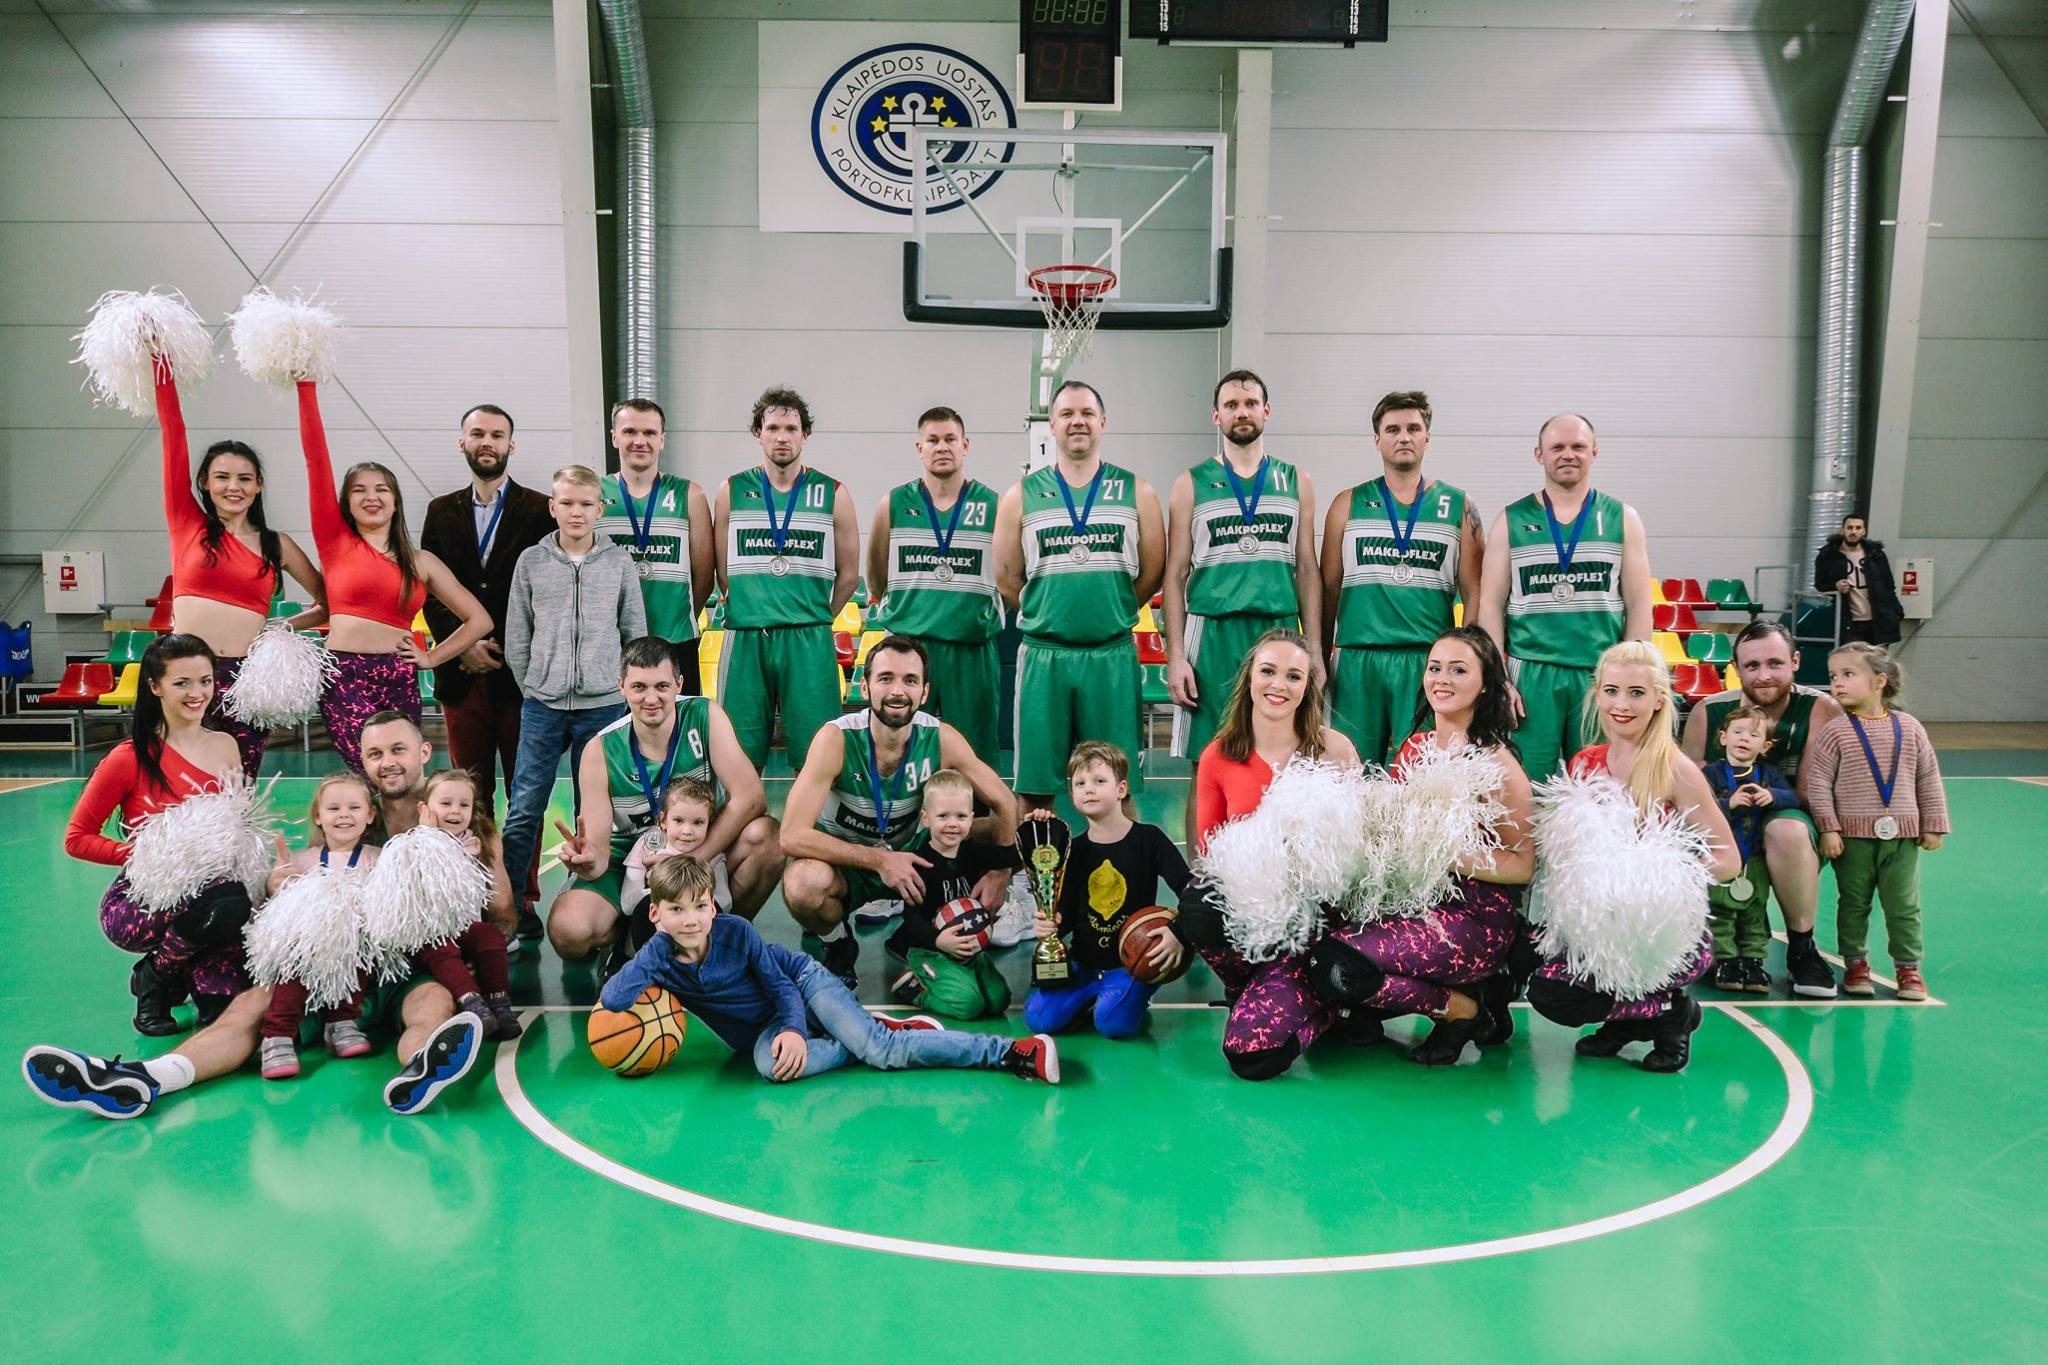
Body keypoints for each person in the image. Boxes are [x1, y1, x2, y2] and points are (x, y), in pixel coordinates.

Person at [25, 713, 488, 1120]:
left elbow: (492, 910)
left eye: (398, 750)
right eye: (375, 753)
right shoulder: (324, 844)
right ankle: (143, 1079)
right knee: (247, 1009)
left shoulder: (453, 816)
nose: (387, 762)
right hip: (319, 971)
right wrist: (279, 890)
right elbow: (275, 912)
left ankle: (421, 1067)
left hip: (391, 972)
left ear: (423, 753)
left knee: (432, 1001)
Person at [602, 855, 1060, 1084]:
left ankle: (1008, 1052)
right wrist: (654, 949)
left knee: (882, 1053)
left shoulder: (735, 932)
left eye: (701, 907)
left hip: (803, 985)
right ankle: (864, 1032)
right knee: (769, 1066)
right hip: (762, 1028)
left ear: (713, 907)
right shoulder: (660, 957)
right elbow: (614, 999)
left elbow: (781, 986)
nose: (691, 920)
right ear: (656, 914)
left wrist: (794, 1029)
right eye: (677, 910)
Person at [1305, 626, 1536, 1064]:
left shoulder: (1498, 764)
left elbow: (1523, 865)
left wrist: (1444, 852)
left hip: (1475, 918)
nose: (1441, 679)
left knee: (1342, 964)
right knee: (1318, 950)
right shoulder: (1415, 746)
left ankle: (1463, 1010)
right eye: (1435, 668)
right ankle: (1475, 992)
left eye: (1458, 670)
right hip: (1416, 902)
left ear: (1485, 684)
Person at [1526, 641, 1739, 1073]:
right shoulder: (1584, 762)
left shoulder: (1675, 768)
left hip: (1660, 937)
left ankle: (1671, 1013)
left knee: (1576, 991)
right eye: (1611, 691)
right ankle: (1631, 1020)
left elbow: (1728, 858)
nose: (1621, 705)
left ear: (1659, 700)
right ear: (1597, 694)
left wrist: (1660, 879)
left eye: (1636, 693)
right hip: (1597, 928)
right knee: (1550, 994)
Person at [779, 636, 1020, 992]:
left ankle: (919, 932)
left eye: (910, 680)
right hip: (850, 864)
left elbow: (1005, 803)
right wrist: (879, 860)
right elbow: (791, 835)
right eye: (886, 678)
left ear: (924, 692)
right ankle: (837, 940)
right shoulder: (836, 739)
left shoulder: (940, 738)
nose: (897, 691)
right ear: (865, 686)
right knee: (803, 885)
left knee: (994, 829)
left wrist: (1000, 872)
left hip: (917, 855)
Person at [1191, 629, 1362, 1080]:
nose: (1278, 685)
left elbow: (1358, 851)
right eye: (1268, 671)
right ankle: (1246, 984)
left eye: (1293, 676)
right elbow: (1210, 854)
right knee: (1198, 903)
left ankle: (1331, 997)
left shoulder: (1335, 749)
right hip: (1257, 920)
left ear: (1307, 687)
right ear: (1249, 677)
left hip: (1321, 920)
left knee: (1257, 1058)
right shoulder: (1217, 756)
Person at [298, 380, 491, 772]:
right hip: (344, 674)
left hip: (398, 676)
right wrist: (306, 386)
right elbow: (315, 460)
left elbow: (479, 620)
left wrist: (432, 657)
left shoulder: (421, 562)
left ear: (396, 501)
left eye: (382, 489)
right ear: (345, 502)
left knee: (401, 776)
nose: (371, 496)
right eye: (359, 490)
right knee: (367, 772)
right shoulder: (334, 542)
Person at [548, 639, 780, 963]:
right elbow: (599, 850)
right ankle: (631, 934)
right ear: (621, 686)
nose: (651, 698)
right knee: (569, 930)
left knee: (767, 838)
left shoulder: (704, 716)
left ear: (679, 684)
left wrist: (691, 860)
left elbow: (751, 798)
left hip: (699, 843)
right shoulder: (600, 750)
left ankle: (721, 936)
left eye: (661, 686)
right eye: (639, 687)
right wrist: (588, 862)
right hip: (631, 854)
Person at [64, 634, 250, 1035]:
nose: (197, 693)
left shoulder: (226, 746)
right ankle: (156, 978)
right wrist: (155, 856)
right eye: (182, 683)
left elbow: (237, 827)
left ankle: (182, 970)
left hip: (217, 901)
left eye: (205, 681)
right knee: (225, 898)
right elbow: (77, 838)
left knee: (222, 1017)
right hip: (144, 901)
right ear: (155, 686)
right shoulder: (129, 757)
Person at [994, 379, 1165, 810]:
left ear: (1103, 422)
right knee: (1034, 789)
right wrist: (1049, 611)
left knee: (1116, 787)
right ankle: (1036, 860)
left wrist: (1111, 609)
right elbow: (1006, 576)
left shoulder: (1137, 491)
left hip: (1111, 655)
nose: (1078, 421)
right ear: (1051, 425)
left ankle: (1122, 858)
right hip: (1044, 655)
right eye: (1067, 414)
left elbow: (1153, 571)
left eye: (1087, 413)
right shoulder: (1021, 495)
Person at [1164, 370, 1320, 841]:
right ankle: (1200, 877)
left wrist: (1314, 650)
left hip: (1279, 632)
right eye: (1231, 405)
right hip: (1212, 634)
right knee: (1206, 762)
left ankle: (1284, 870)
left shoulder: (1296, 481)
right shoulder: (1191, 483)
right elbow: (1175, 575)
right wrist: (1176, 656)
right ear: (1216, 416)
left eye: (1250, 403)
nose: (1242, 412)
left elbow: (1307, 570)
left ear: (1266, 411)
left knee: (1291, 761)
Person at [152, 355, 325, 776]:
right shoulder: (186, 522)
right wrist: (161, 362)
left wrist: (280, 628)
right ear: (204, 483)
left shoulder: (276, 544)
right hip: (183, 674)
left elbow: (332, 602)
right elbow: (173, 435)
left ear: (258, 485)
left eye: (245, 478)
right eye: (222, 477)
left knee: (238, 782)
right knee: (176, 781)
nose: (234, 487)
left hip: (245, 680)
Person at [417, 402, 554, 927]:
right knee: (469, 793)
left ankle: (521, 896)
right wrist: (461, 644)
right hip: (461, 674)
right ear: (463, 442)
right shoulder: (440, 511)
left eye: (497, 434)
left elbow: (545, 592)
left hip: (520, 678)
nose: (487, 442)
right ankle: (471, 893)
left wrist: (506, 646)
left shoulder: (540, 509)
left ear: (511, 444)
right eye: (478, 433)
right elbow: (429, 592)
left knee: (526, 792)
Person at [497, 464, 644, 923]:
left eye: (585, 504)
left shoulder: (619, 563)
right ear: (552, 507)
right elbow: (517, 635)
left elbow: (634, 633)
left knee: (593, 811)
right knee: (524, 807)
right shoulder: (531, 562)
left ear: (600, 509)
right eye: (567, 503)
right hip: (542, 705)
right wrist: (535, 684)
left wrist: (617, 687)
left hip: (602, 707)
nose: (576, 512)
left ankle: (590, 901)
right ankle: (513, 909)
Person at [1476, 413, 1653, 784]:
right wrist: (1499, 679)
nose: (1568, 454)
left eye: (1578, 446)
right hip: (1531, 673)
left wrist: (1633, 677)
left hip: (1599, 672)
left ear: (1594, 452)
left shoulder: (1622, 518)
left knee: (1602, 787)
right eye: (1557, 447)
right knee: (1525, 786)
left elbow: (1639, 604)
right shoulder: (1511, 520)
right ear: (1539, 454)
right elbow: (1490, 605)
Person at [1679, 618, 1843, 996]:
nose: (1764, 675)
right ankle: (1704, 935)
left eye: (1775, 663)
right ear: (1735, 669)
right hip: (1723, 821)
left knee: (1785, 829)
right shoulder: (1708, 711)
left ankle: (1802, 948)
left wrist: (1761, 799)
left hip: (1786, 822)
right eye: (1752, 665)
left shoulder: (1820, 708)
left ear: (1795, 662)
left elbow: (1808, 793)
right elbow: (1688, 791)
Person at [1320, 390, 1483, 766]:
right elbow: (1327, 589)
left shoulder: (1459, 506)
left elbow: (1475, 592)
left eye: (1413, 428)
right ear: (1377, 439)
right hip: (1357, 659)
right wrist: (1320, 656)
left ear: (1427, 437)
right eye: (1393, 429)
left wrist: (1465, 663)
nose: (1404, 437)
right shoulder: (1347, 503)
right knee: (1351, 771)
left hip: (1426, 661)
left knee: (1423, 774)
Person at [713, 387, 860, 769]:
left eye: (791, 428)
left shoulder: (834, 493)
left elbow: (849, 575)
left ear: (805, 434)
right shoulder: (731, 491)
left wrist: (815, 615)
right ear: (758, 433)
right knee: (739, 756)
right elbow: (721, 570)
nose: (782, 437)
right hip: (747, 635)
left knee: (816, 756)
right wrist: (751, 606)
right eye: (773, 428)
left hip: (808, 637)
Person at [1803, 643, 1947, 1001]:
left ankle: (1908, 968)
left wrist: (1933, 823)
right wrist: (1829, 828)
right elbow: (1819, 783)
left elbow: (1927, 777)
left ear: (1880, 681)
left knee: (1904, 906)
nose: (1837, 682)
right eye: (1833, 676)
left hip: (1902, 838)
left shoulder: (1910, 728)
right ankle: (1855, 964)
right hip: (1852, 840)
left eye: (1848, 674)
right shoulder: (1835, 731)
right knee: (1854, 904)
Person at [1024, 742, 1193, 1041]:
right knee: (1038, 1019)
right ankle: (1093, 997)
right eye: (1080, 783)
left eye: (1099, 781)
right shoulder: (1071, 849)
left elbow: (1190, 890)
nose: (1089, 789)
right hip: (1083, 965)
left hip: (1129, 964)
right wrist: (1050, 925)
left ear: (1121, 789)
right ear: (1072, 793)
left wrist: (1178, 932)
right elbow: (1066, 913)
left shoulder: (1149, 839)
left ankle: (1134, 990)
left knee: (1113, 1026)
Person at [866, 406, 1004, 761]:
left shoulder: (993, 506)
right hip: (908, 646)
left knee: (973, 754)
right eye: (933, 440)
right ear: (920, 448)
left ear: (965, 445)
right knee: (899, 748)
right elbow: (876, 575)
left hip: (970, 647)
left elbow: (1009, 572)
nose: (942, 447)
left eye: (950, 439)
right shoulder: (893, 504)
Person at [256, 772, 381, 1079]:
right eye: (334, 808)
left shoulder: (377, 859)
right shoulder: (301, 860)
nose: (344, 815)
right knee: (296, 956)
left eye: (354, 808)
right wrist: (275, 884)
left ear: (369, 815)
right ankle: (277, 1034)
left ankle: (341, 1021)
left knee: (358, 942)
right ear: (318, 816)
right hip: (306, 950)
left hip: (355, 947)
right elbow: (277, 903)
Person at [883, 769, 1020, 1021]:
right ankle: (914, 989)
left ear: (971, 819)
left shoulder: (971, 852)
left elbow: (1013, 856)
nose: (952, 824)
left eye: (960, 816)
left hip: (968, 950)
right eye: (943, 816)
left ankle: (961, 974)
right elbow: (911, 917)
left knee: (999, 1000)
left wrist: (1039, 827)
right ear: (926, 818)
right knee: (968, 1006)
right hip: (930, 949)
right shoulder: (920, 864)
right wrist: (937, 941)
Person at [599, 399, 714, 690]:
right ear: (614, 437)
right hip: (613, 644)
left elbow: (704, 576)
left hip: (675, 641)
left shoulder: (690, 495)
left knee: (678, 719)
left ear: (662, 440)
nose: (640, 441)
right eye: (629, 432)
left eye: (649, 433)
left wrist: (679, 617)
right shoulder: (595, 495)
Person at [410, 768, 521, 1039]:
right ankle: (472, 1002)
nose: (455, 811)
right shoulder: (415, 844)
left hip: (467, 926)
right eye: (445, 803)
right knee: (441, 948)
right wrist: (428, 833)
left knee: (489, 936)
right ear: (425, 809)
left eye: (464, 805)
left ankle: (499, 1001)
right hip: (432, 933)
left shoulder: (475, 844)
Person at [1699, 704, 1799, 994]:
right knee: (1721, 911)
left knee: (1754, 911)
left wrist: (1773, 796)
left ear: (1765, 746)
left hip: (1755, 859)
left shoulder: (1768, 775)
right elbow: (1697, 809)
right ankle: (1727, 962)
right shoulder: (1710, 774)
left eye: (1754, 735)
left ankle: (1753, 962)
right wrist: (1727, 804)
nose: (1744, 738)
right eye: (1738, 732)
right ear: (1723, 737)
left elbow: (1792, 798)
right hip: (1721, 855)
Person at [622, 778, 732, 923]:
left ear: (709, 824)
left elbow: (724, 902)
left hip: (695, 928)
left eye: (698, 822)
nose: (687, 831)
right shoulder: (648, 846)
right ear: (663, 820)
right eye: (679, 820)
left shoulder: (713, 856)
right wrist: (665, 897)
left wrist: (681, 895)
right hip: (652, 926)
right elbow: (628, 904)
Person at [1814, 513, 1903, 646]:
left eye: (1858, 528)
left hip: (1877, 619)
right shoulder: (1828, 556)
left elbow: (1888, 585)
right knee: (1851, 656)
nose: (1853, 532)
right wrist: (1835, 585)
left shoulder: (1876, 555)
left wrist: (1896, 611)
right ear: (1842, 530)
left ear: (1864, 531)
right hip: (1848, 621)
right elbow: (1820, 585)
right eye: (1850, 528)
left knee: (1876, 658)